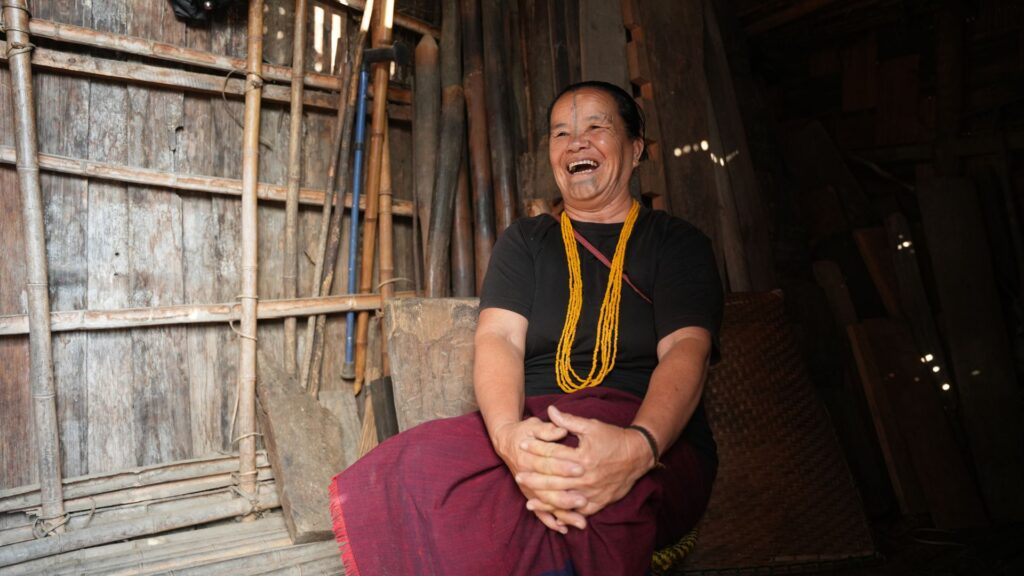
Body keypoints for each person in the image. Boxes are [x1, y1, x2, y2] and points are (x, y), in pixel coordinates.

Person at [328, 80, 723, 576]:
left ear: (636, 148)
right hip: (534, 423)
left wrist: (637, 447)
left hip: (644, 429)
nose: (576, 142)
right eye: (561, 133)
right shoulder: (527, 241)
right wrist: (511, 439)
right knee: (417, 465)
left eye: (596, 128)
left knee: (588, 488)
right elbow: (498, 339)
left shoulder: (676, 243)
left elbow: (687, 349)